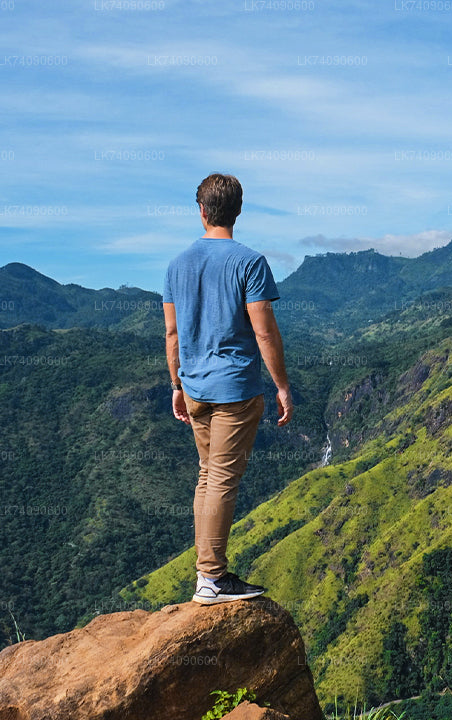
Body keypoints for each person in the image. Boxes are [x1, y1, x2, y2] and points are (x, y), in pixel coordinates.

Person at [162, 173, 293, 605]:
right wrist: (282, 386)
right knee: (221, 479)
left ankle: (207, 573)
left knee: (207, 475)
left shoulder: (176, 265)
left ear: (201, 211)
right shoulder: (250, 263)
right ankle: (212, 578)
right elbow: (264, 331)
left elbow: (172, 335)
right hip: (234, 390)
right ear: (237, 211)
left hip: (195, 388)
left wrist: (176, 384)